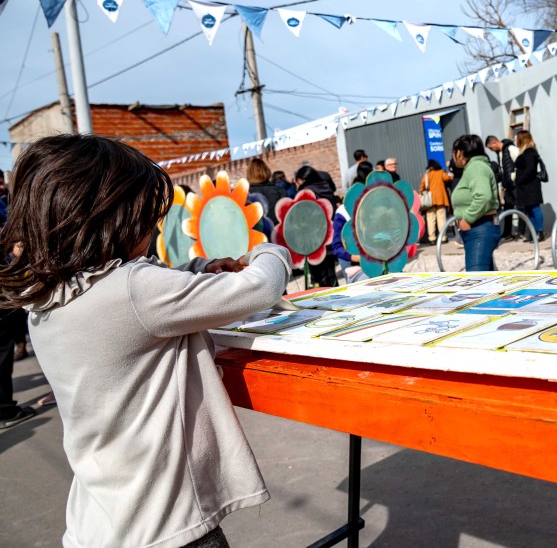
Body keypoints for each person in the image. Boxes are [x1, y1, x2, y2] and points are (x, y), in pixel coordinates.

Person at [0, 134, 292, 547]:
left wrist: (201, 267)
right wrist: (269, 252)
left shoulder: (47, 298)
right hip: (167, 525)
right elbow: (260, 289)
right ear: (109, 220)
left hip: (99, 524)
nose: (154, 228)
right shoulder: (135, 291)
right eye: (146, 218)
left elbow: (146, 292)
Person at [450, 134, 501, 271]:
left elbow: (483, 196)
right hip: (478, 228)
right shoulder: (473, 168)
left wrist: (467, 219)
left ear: (459, 153)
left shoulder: (476, 167)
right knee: (486, 280)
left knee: (477, 281)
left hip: (479, 227)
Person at [295, 165, 340, 287]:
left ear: (302, 179)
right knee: (331, 272)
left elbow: (301, 215)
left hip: (314, 239)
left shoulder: (306, 191)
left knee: (318, 276)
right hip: (329, 233)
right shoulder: (325, 186)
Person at [332, 161, 374, 283]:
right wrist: (355, 257)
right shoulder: (343, 213)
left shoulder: (376, 210)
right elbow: (337, 247)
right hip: (352, 263)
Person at [485, 135, 520, 240]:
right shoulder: (500, 153)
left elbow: (521, 162)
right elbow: (504, 170)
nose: (491, 150)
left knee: (521, 208)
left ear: (494, 143)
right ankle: (507, 232)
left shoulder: (510, 149)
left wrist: (514, 176)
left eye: (491, 148)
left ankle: (523, 232)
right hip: (507, 186)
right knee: (507, 209)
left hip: (515, 184)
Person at [513, 130, 545, 242]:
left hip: (530, 185)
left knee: (534, 208)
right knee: (528, 209)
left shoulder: (530, 152)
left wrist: (520, 179)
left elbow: (530, 169)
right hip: (524, 187)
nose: (515, 140)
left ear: (521, 139)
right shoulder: (524, 152)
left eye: (516, 138)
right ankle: (533, 232)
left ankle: (540, 232)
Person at [419, 159, 454, 244]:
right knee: (441, 218)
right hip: (440, 199)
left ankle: (432, 239)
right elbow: (448, 178)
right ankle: (443, 238)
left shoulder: (426, 175)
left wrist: (421, 193)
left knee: (430, 219)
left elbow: (422, 186)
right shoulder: (440, 172)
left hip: (429, 201)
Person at [246, 157, 287, 225]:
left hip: (257, 233)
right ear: (266, 171)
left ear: (249, 173)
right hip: (277, 232)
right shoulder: (279, 190)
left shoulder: (245, 195)